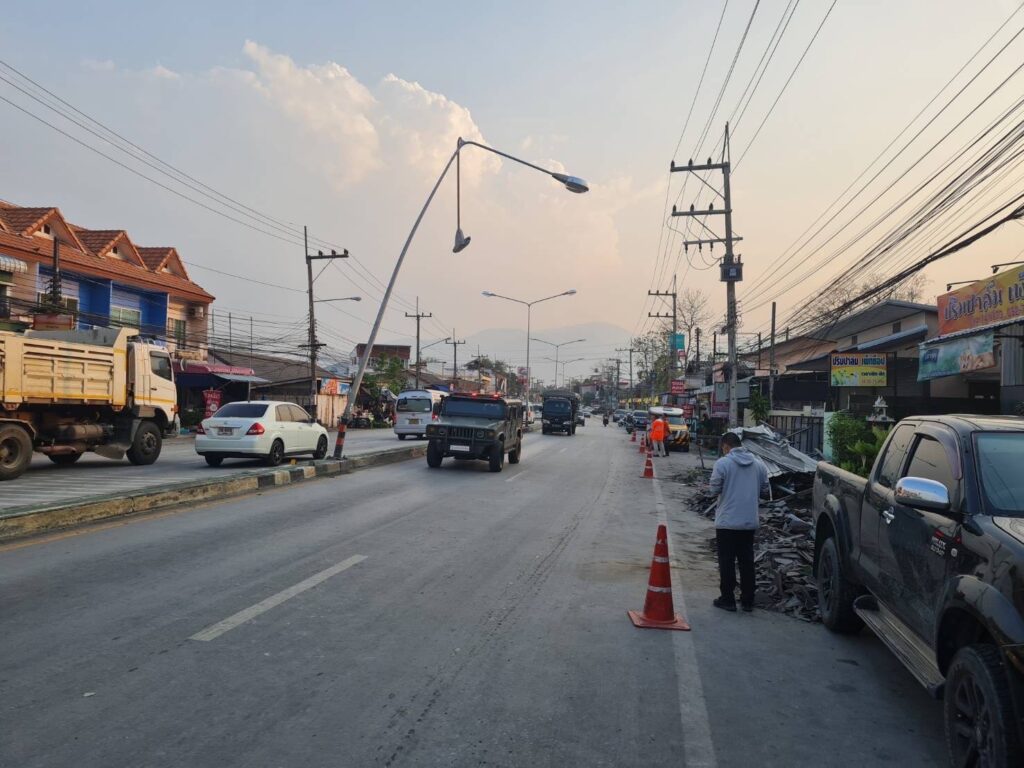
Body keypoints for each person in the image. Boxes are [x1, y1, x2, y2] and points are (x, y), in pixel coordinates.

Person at [709, 431, 769, 612]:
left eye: (723, 448)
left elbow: (713, 489)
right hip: (749, 521)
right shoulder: (759, 465)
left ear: (726, 446)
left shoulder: (723, 463)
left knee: (726, 561)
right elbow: (765, 491)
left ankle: (728, 599)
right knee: (747, 561)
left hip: (727, 522)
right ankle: (748, 600)